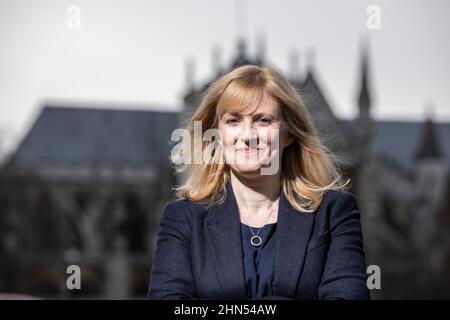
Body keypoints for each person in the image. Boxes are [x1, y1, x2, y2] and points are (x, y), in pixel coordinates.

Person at [148, 65, 370, 300]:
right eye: (233, 121)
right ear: (216, 134)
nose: (247, 136)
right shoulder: (183, 219)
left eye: (263, 121)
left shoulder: (333, 213)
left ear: (290, 133)